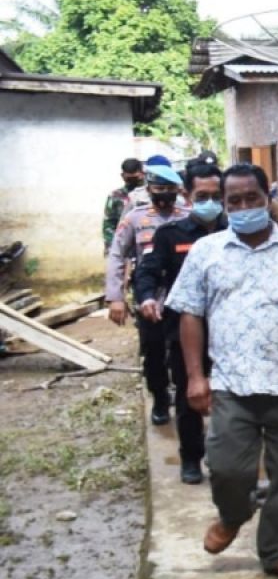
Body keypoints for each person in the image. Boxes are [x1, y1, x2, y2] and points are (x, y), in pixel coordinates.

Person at [165, 163, 278, 579]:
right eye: (235, 201)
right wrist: (196, 377)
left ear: (268, 198)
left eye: (253, 198)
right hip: (232, 384)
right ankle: (233, 515)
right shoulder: (206, 251)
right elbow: (191, 315)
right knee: (228, 468)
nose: (245, 207)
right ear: (224, 204)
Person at [134, 163, 227, 485]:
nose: (210, 201)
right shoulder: (169, 235)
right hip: (186, 330)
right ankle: (191, 457)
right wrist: (146, 297)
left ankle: (231, 458)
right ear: (187, 195)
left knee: (237, 398)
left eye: (217, 195)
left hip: (231, 331)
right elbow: (147, 271)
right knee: (190, 395)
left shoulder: (238, 232)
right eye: (203, 195)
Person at [105, 163, 190, 425]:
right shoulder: (134, 218)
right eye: (158, 188)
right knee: (152, 352)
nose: (163, 193)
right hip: (148, 294)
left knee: (183, 351)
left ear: (177, 190)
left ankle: (184, 398)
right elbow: (117, 255)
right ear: (149, 189)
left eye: (169, 189)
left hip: (182, 295)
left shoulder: (188, 216)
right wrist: (115, 297)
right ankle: (161, 400)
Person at [103, 158, 143, 256]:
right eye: (129, 179)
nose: (132, 182)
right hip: (122, 244)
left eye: (135, 178)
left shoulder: (149, 194)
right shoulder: (115, 196)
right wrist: (111, 247)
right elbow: (109, 223)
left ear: (142, 174)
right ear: (122, 176)